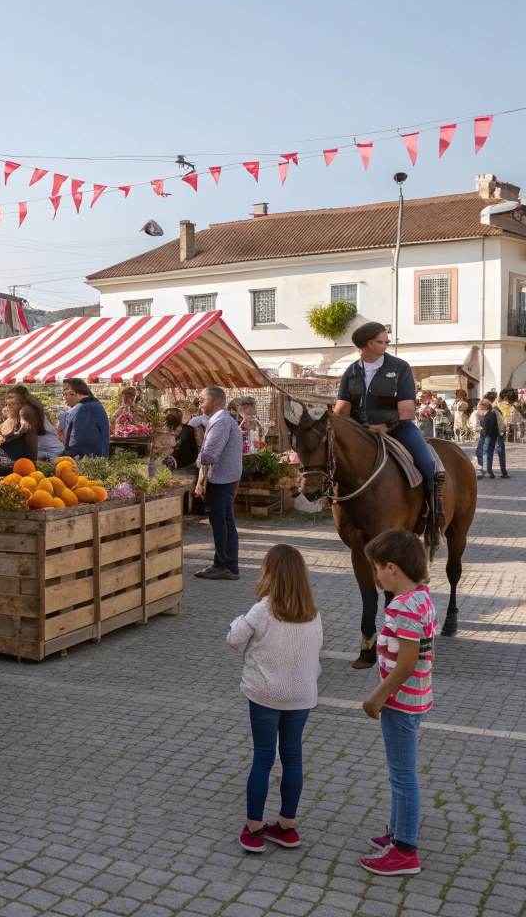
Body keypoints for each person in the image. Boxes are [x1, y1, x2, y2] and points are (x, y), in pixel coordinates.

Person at [228, 544, 322, 853]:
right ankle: (286, 826)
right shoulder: (313, 612)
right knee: (292, 756)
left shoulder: (263, 609)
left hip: (266, 694)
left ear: (270, 574)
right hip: (301, 695)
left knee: (264, 757)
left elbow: (234, 640)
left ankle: (254, 829)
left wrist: (240, 619)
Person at [359, 528, 435, 877]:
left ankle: (405, 851)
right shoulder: (421, 597)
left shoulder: (403, 608)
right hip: (416, 699)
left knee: (402, 777)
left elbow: (405, 663)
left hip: (400, 703)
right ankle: (395, 832)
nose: (374, 575)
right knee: (399, 773)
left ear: (392, 568)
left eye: (376, 568)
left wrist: (377, 697)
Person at [334, 321, 435, 516]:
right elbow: (342, 409)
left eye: (387, 342)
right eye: (382, 342)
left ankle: (432, 511)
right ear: (369, 344)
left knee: (428, 464)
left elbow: (407, 411)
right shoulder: (351, 372)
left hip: (399, 428)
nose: (386, 346)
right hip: (360, 431)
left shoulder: (400, 368)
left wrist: (385, 426)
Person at [192, 385, 243, 580]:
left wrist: (196, 463)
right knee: (226, 521)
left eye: (202, 400)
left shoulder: (221, 421)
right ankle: (229, 565)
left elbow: (209, 454)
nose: (200, 404)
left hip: (220, 479)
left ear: (216, 401)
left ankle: (222, 565)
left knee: (220, 522)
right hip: (224, 478)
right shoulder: (221, 420)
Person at [62, 378, 110, 459]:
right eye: (63, 395)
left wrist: (65, 456)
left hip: (85, 461)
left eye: (67, 394)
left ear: (78, 394)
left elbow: (77, 440)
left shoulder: (83, 408)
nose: (65, 398)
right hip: (98, 460)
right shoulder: (96, 404)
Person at [482, 391, 509, 477]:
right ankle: (503, 472)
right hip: (497, 433)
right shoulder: (494, 408)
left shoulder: (490, 408)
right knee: (500, 453)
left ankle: (490, 472)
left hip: (492, 433)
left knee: (490, 453)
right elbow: (500, 421)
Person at [475, 399, 501, 478]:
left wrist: (481, 420)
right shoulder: (492, 414)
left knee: (482, 452)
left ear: (484, 408)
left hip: (487, 436)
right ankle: (488, 470)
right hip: (491, 436)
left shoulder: (488, 415)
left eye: (480, 408)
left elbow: (486, 426)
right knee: (488, 453)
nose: (479, 410)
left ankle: (485, 470)